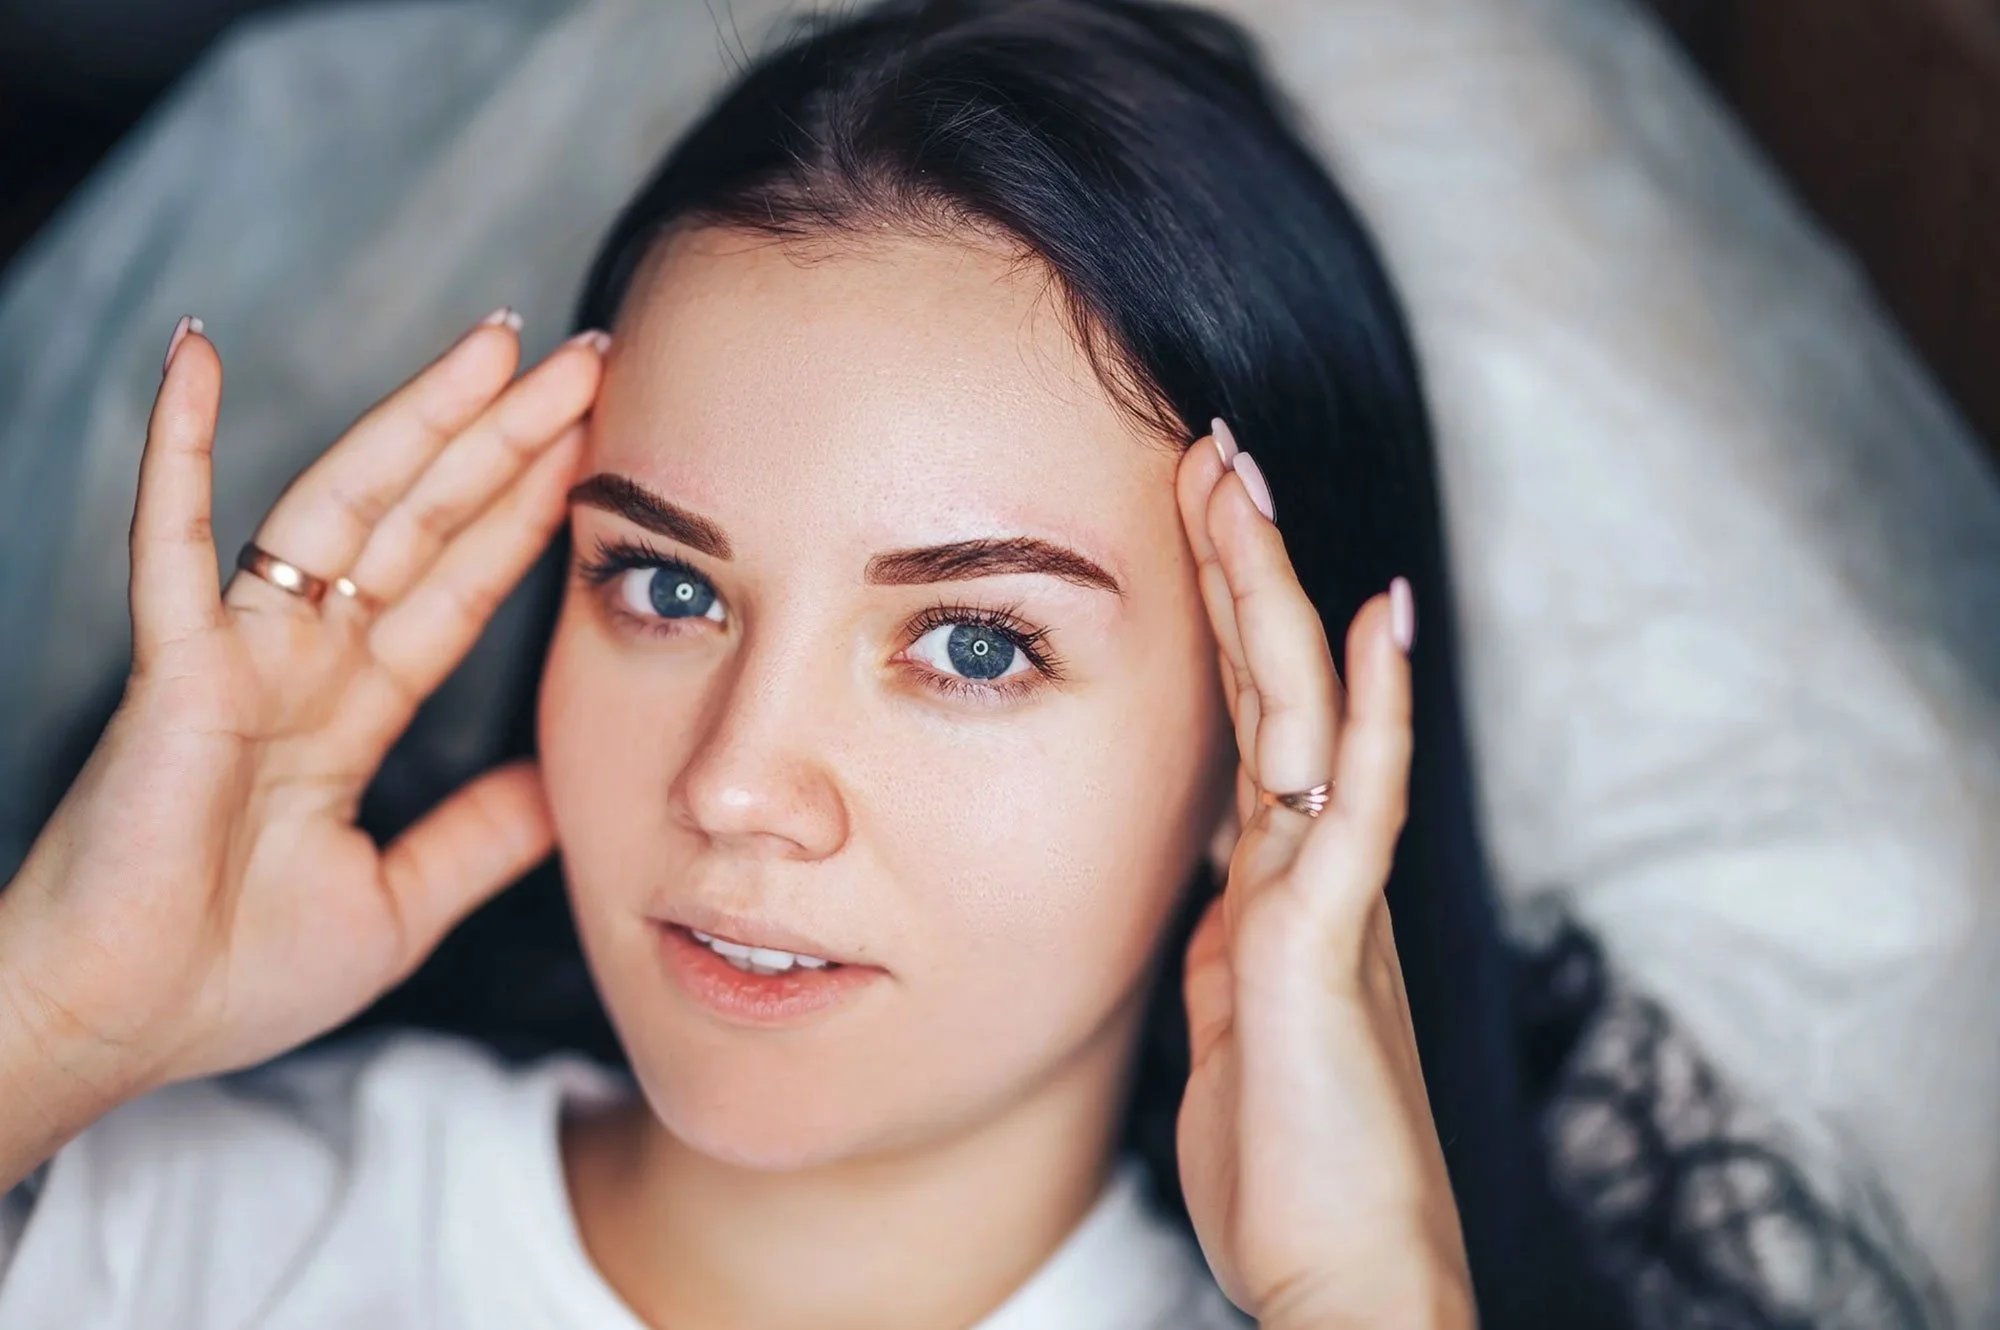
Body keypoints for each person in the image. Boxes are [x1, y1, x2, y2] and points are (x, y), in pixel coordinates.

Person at [0, 0, 1805, 1325]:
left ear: (1255, 764)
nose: (732, 780)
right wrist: (49, 1026)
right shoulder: (153, 1230)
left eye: (972, 640)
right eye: (668, 588)